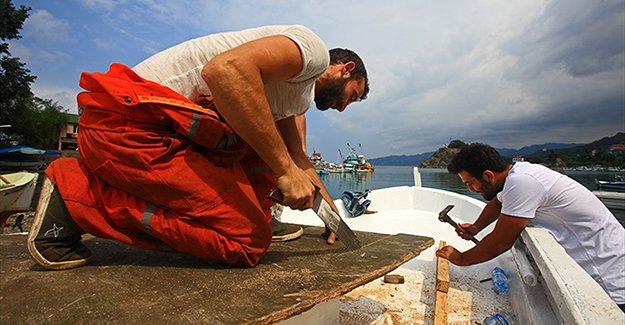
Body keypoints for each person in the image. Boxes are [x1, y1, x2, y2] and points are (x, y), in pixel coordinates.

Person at [27, 25, 369, 270]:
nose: (343, 108)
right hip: (129, 121)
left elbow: (298, 162)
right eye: (351, 96)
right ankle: (75, 195)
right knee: (247, 243)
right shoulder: (311, 49)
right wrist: (283, 171)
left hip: (151, 129)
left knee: (266, 151)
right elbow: (225, 70)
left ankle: (257, 212)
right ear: (345, 69)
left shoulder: (296, 99)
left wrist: (329, 214)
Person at [435, 143, 625, 311]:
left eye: (470, 184)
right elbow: (498, 203)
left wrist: (460, 258)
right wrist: (476, 227)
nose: (471, 190)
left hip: (610, 282)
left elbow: (500, 242)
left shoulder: (522, 183)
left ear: (488, 175)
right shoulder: (519, 174)